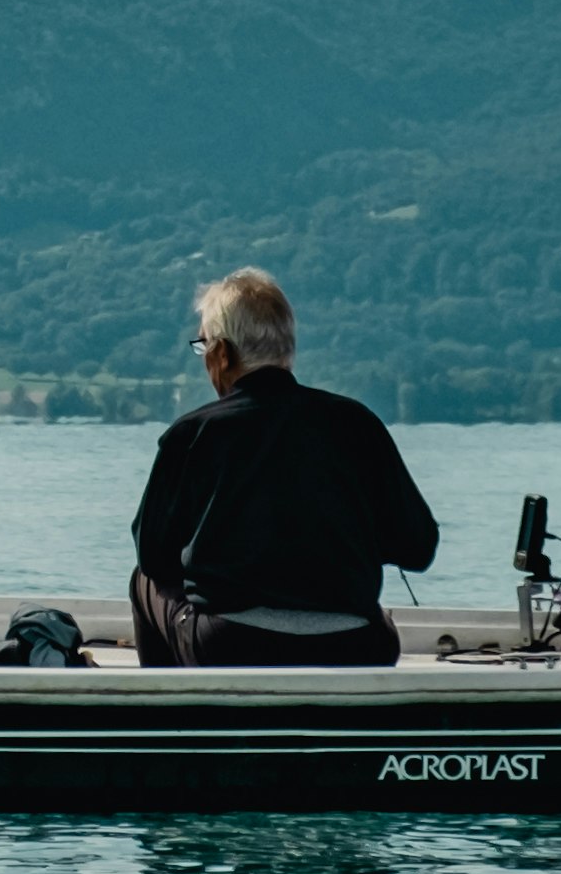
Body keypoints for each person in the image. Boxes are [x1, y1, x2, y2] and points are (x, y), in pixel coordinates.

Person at [128, 269, 436, 666]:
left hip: (230, 646)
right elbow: (418, 548)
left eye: (203, 347)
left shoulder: (193, 434)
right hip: (357, 647)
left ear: (222, 353)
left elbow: (153, 557)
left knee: (144, 582)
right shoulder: (358, 423)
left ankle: (173, 720)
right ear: (286, 348)